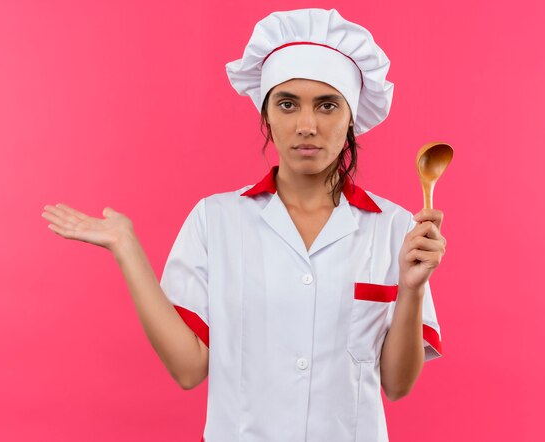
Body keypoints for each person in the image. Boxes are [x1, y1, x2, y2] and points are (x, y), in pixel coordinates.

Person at [41, 8, 447, 442]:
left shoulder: (395, 227)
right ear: (266, 114)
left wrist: (412, 287)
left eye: (327, 105)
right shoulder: (216, 220)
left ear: (351, 117)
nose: (306, 126)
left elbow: (397, 385)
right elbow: (188, 368)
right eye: (287, 104)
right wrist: (127, 249)